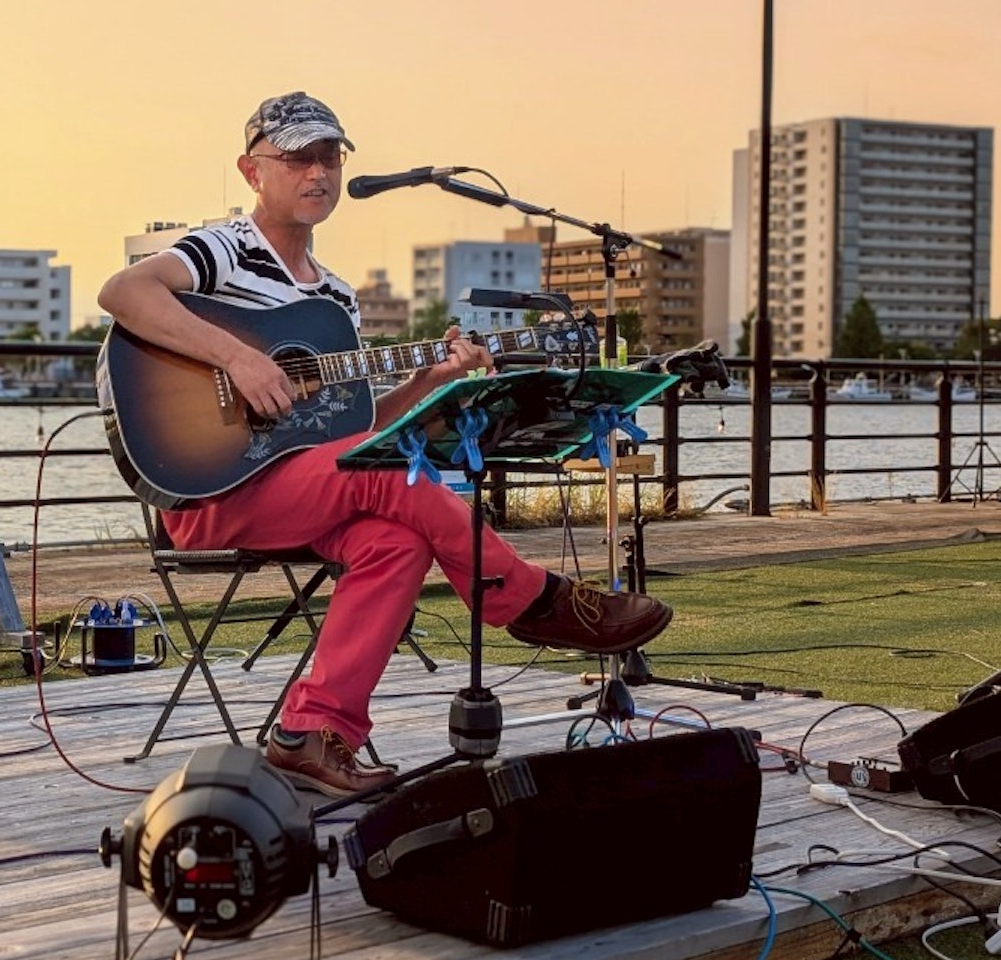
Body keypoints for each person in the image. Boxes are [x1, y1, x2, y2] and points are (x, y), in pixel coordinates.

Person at [96, 91, 673, 798]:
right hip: (211, 488)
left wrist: (434, 379)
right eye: (299, 157)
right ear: (252, 171)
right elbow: (125, 291)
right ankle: (533, 601)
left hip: (303, 486)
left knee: (393, 540)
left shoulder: (335, 299)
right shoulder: (225, 249)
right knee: (392, 481)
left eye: (330, 157)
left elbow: (358, 432)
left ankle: (312, 732)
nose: (318, 173)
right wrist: (240, 359)